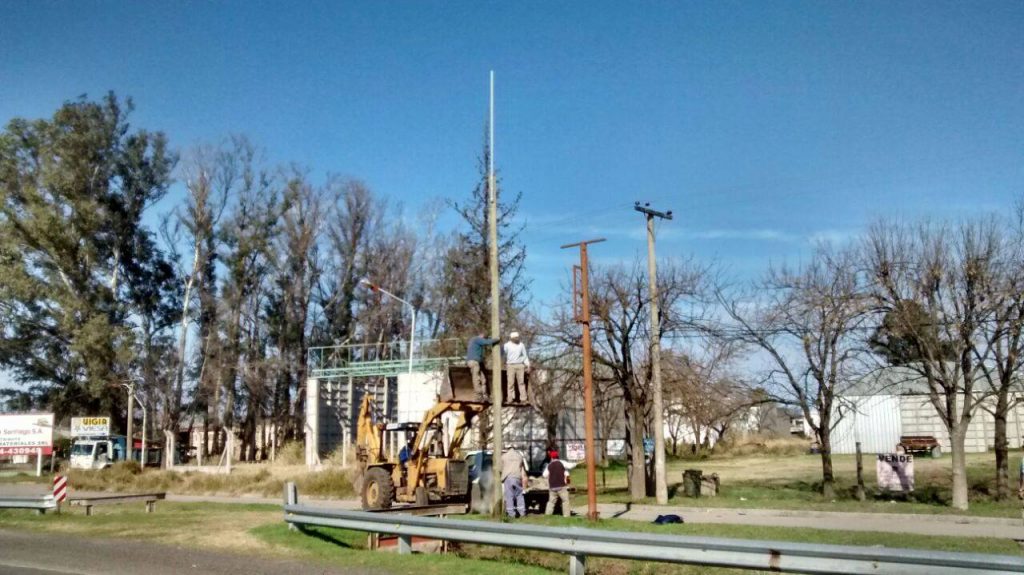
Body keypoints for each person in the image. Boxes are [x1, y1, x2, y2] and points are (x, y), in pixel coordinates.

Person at [466, 333, 499, 401]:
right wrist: (497, 339)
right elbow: (487, 342)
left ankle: (485, 395)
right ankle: (478, 395)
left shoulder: (474, 341)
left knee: (483, 378)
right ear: (482, 337)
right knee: (477, 378)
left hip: (477, 362)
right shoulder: (477, 339)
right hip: (474, 362)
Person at [501, 443, 528, 518]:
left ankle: (511, 514)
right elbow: (522, 470)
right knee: (519, 495)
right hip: (517, 477)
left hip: (508, 478)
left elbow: (500, 468)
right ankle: (522, 513)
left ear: (507, 448)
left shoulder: (503, 457)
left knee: (509, 496)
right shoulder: (519, 456)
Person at [503, 331, 531, 404]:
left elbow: (525, 355)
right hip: (510, 365)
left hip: (520, 365)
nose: (517, 339)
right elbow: (504, 354)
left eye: (517, 337)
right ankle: (510, 399)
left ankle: (523, 399)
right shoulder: (507, 345)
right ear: (511, 338)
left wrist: (528, 365)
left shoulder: (521, 345)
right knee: (510, 383)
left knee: (521, 382)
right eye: (515, 337)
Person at [543, 450, 572, 517]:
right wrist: (575, 464)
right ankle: (566, 516)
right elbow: (570, 467)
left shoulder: (549, 465)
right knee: (565, 501)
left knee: (551, 502)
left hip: (552, 487)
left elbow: (544, 475)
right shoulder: (561, 463)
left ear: (551, 457)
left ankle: (547, 515)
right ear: (558, 456)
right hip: (561, 486)